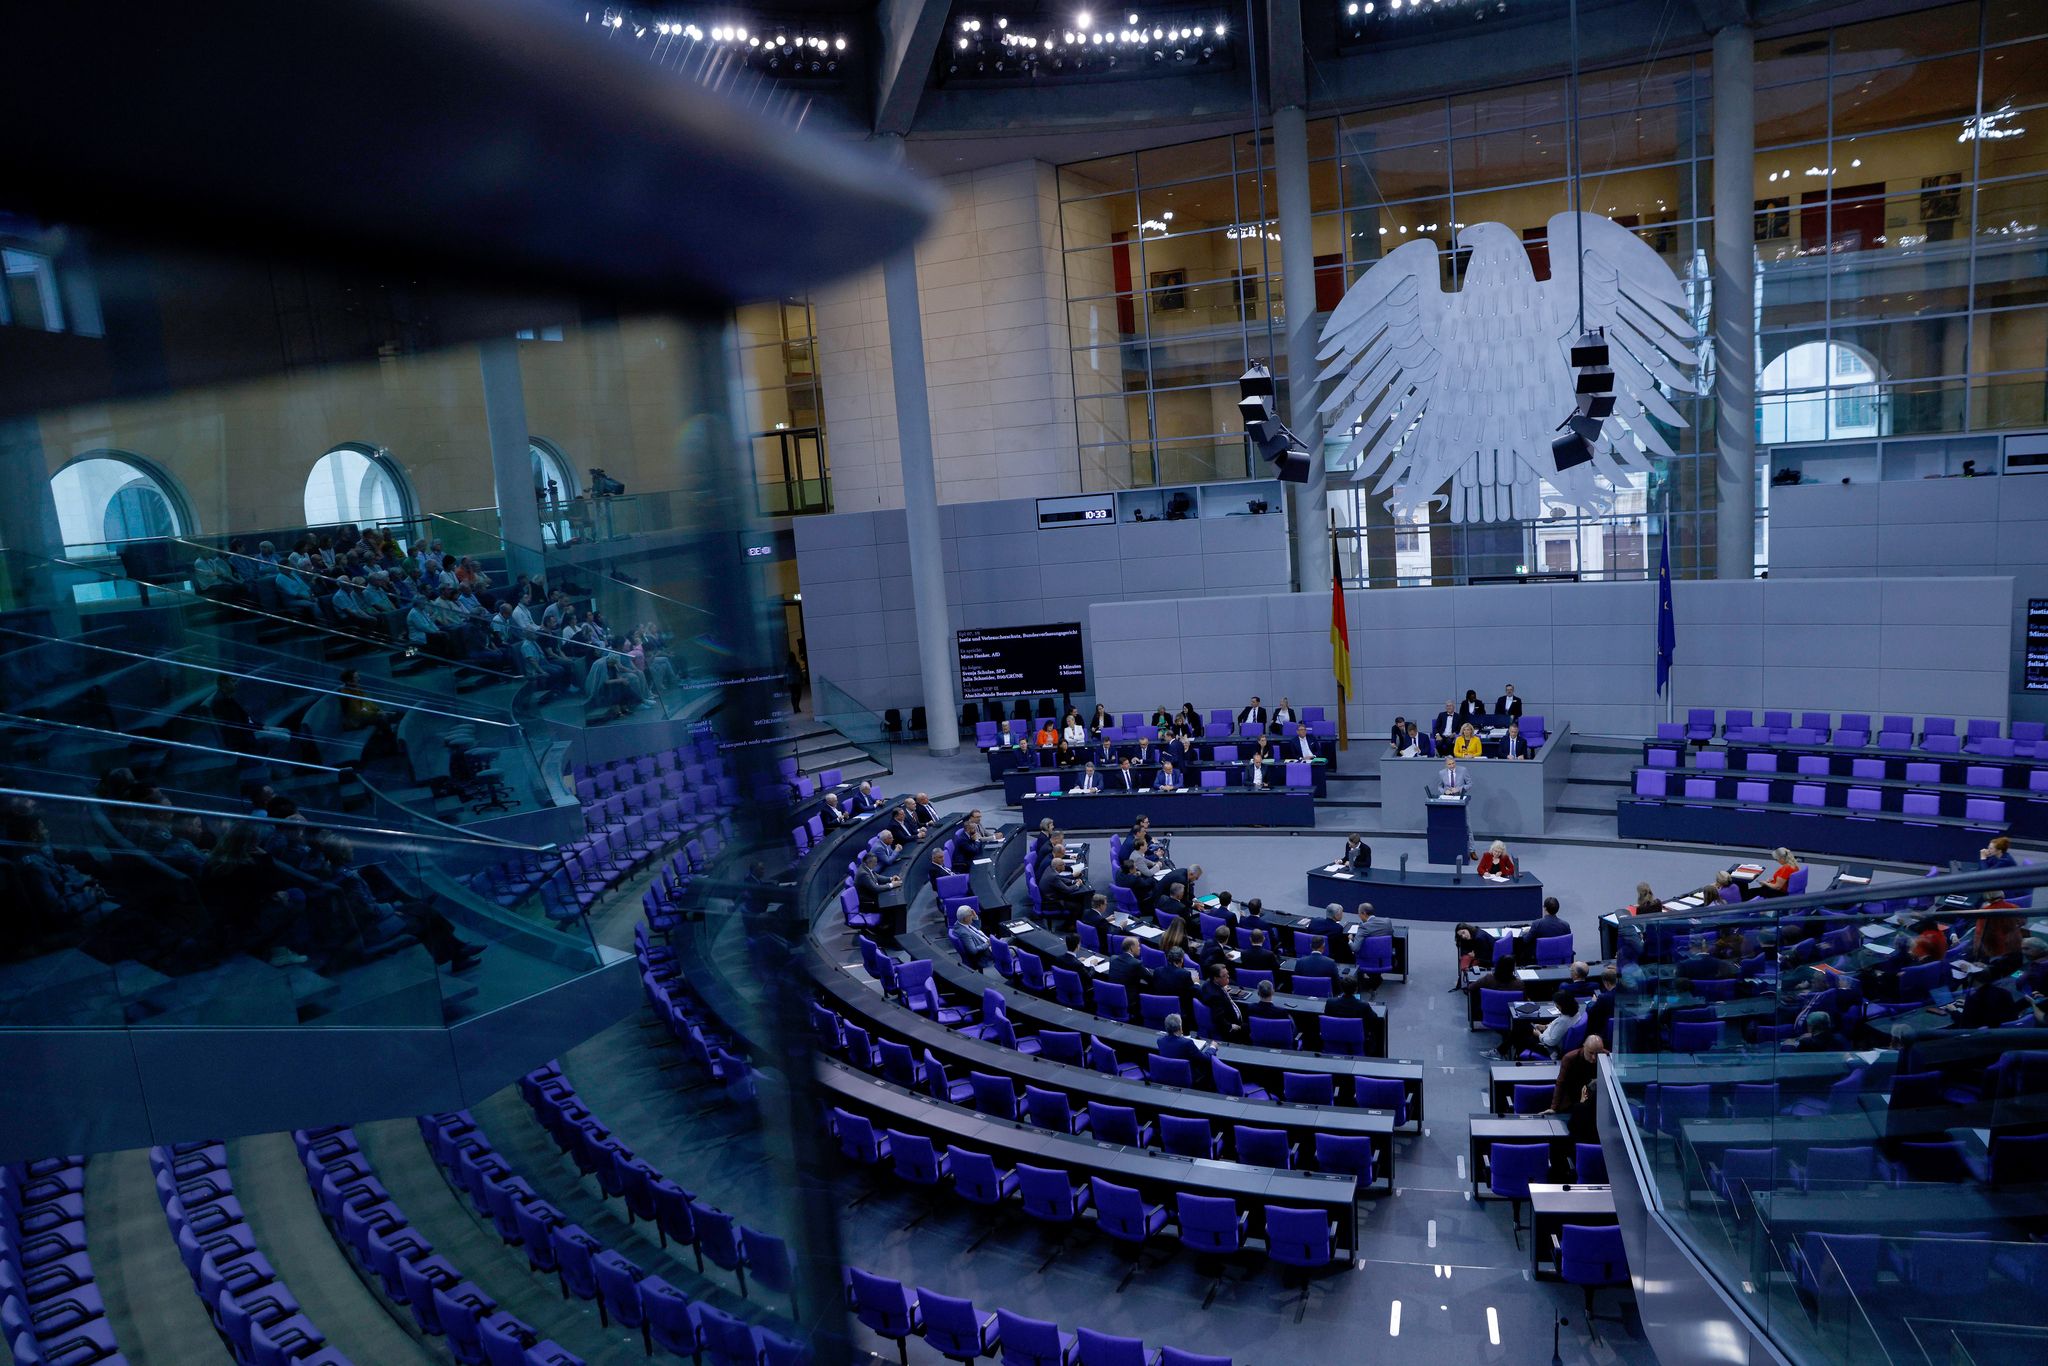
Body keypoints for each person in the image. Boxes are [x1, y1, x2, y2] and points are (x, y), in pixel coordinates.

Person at [1548, 1034, 1607, 1116]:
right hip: (1572, 1100)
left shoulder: (1607, 1057)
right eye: (1591, 1053)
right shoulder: (1570, 1059)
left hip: (1596, 1102)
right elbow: (1561, 1083)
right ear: (1584, 1047)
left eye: (1598, 1053)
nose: (1594, 1057)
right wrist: (1553, 1108)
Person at [1197, 965, 1247, 1041]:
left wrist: (1223, 988)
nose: (1228, 976)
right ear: (1216, 978)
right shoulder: (1216, 996)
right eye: (1224, 976)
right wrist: (1230, 1026)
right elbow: (1217, 1017)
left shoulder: (1208, 984)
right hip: (1233, 1026)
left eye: (1227, 973)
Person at [951, 906, 992, 971]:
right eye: (971, 915)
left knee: (1007, 941)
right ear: (965, 919)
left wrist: (975, 917)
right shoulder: (964, 933)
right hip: (986, 954)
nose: (972, 916)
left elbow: (977, 928)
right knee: (1012, 949)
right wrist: (987, 944)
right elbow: (973, 951)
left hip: (989, 945)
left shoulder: (960, 923)